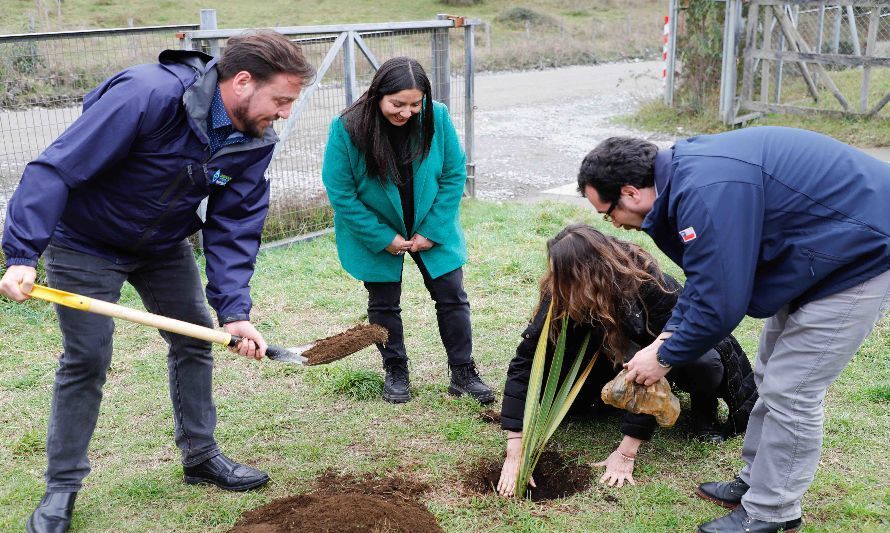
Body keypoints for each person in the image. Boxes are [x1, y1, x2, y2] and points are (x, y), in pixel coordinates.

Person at [0, 32, 315, 532]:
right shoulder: (148, 95)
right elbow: (55, 168)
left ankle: (200, 455)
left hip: (162, 245)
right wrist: (22, 252)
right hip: (85, 241)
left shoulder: (253, 142)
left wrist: (234, 312)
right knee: (87, 359)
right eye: (281, 99)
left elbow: (234, 226)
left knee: (194, 339)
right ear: (241, 81)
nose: (283, 112)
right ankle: (61, 489)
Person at [577, 128, 890, 533]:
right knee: (769, 372)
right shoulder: (686, 184)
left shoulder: (706, 192)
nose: (614, 224)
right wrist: (664, 341)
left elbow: (721, 301)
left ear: (631, 192)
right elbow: (706, 280)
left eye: (609, 212)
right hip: (817, 249)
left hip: (860, 252)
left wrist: (664, 357)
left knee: (792, 391)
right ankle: (757, 480)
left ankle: (773, 511)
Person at [497, 224, 757, 497]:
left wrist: (626, 452)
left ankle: (703, 409)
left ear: (589, 274)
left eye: (566, 278)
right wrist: (515, 448)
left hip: (670, 356)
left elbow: (653, 368)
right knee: (575, 406)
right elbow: (525, 363)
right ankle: (607, 400)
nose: (558, 284)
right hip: (610, 354)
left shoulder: (648, 283)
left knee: (704, 364)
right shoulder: (562, 290)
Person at [321, 57, 494, 405]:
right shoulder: (348, 127)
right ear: (377, 95)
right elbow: (341, 192)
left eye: (415, 104)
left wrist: (434, 229)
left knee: (452, 295)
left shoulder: (437, 116)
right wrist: (381, 238)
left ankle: (463, 372)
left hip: (430, 223)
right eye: (397, 104)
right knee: (383, 303)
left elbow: (453, 173)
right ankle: (395, 370)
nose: (406, 112)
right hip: (377, 228)